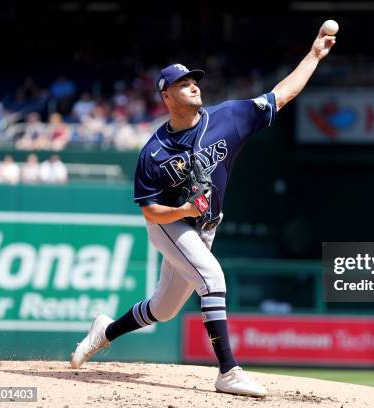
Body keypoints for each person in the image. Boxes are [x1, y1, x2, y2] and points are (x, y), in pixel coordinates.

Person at [70, 24, 336, 397]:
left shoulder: (228, 117)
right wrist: (181, 210)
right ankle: (228, 371)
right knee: (212, 278)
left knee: (163, 310)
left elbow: (281, 95)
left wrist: (314, 55)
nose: (194, 85)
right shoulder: (154, 152)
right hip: (170, 224)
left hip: (206, 226)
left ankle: (105, 331)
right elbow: (150, 212)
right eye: (183, 83)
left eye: (194, 81)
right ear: (166, 96)